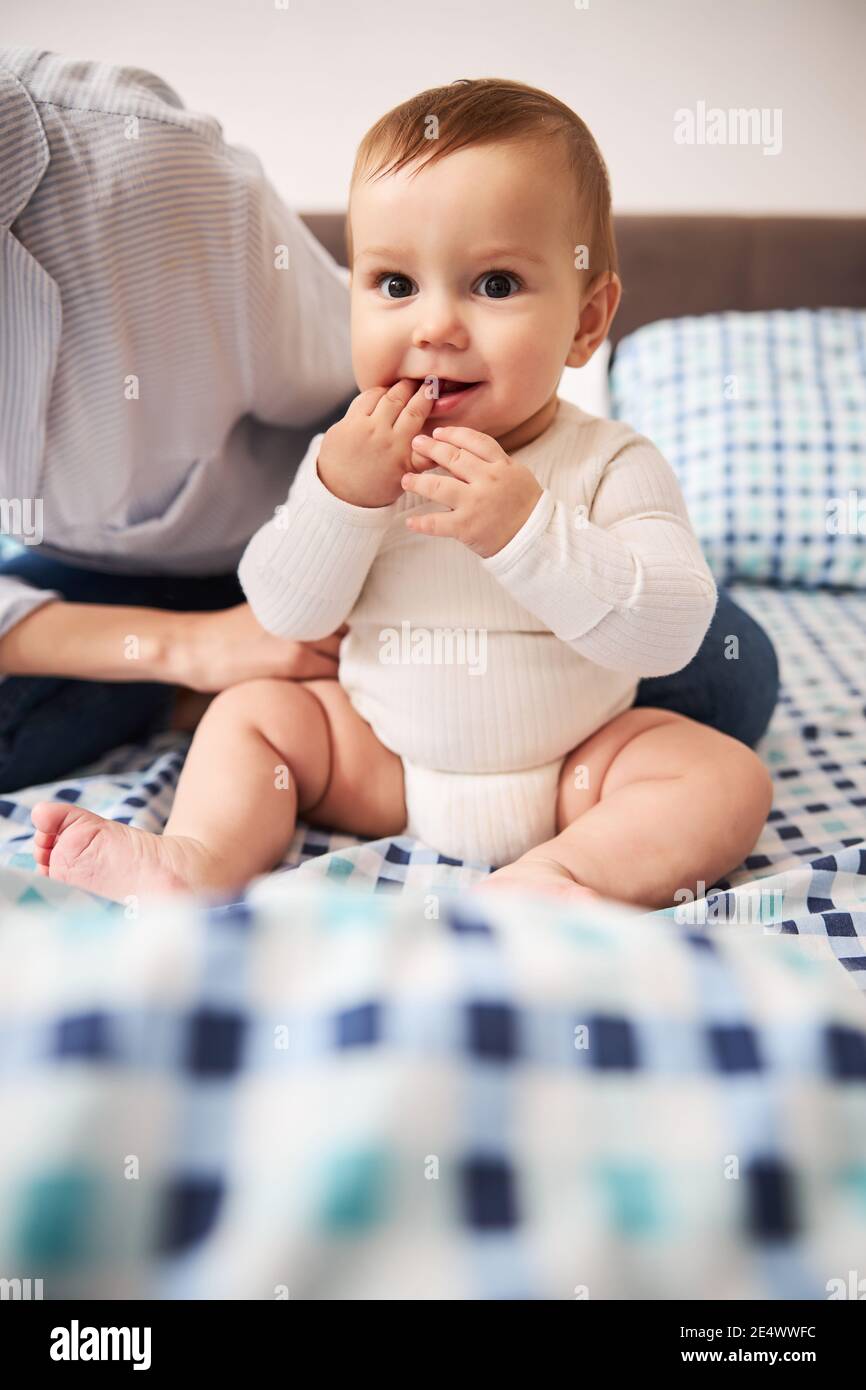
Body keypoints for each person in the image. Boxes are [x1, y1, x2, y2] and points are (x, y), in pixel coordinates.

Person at [31, 78, 776, 909]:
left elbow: (671, 630)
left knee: (724, 777)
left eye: (494, 285)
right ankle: (197, 858)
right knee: (254, 715)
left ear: (586, 322)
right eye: (394, 284)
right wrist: (339, 499)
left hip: (576, 765)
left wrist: (526, 530)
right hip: (383, 759)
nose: (434, 327)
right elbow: (286, 614)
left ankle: (560, 876)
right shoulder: (352, 461)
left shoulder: (612, 461)